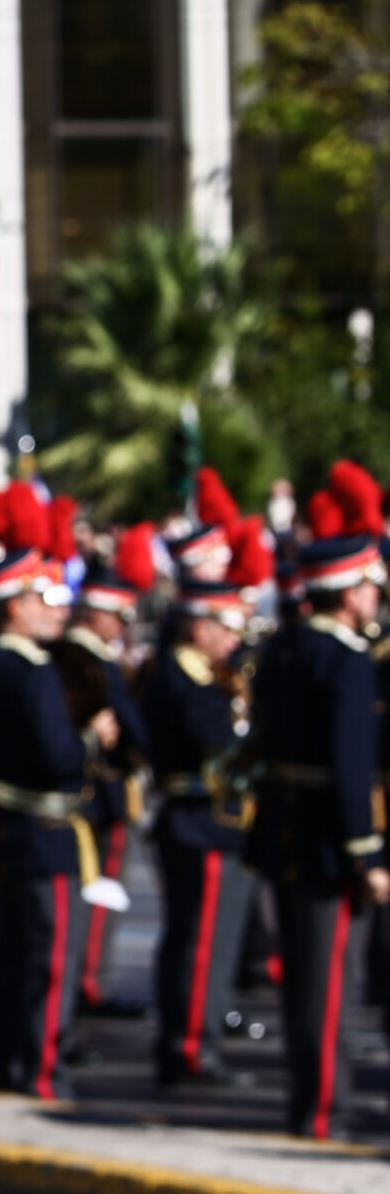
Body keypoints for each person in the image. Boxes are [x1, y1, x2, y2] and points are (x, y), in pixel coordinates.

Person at [246, 474, 390, 1140]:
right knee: (328, 981)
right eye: (369, 583)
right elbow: (352, 765)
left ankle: (310, 1099)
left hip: (284, 826)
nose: (376, 594)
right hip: (331, 838)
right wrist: (366, 851)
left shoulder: (284, 647)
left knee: (305, 979)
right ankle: (322, 1108)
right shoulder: (347, 661)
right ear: (350, 587)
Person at [0, 546, 111, 1101]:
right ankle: (40, 1066)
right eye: (45, 599)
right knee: (48, 958)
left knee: (14, 955)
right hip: (43, 829)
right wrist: (92, 738)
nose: (57, 611)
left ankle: (0, 1061)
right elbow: (58, 757)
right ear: (15, 606)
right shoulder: (28, 670)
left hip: (12, 826)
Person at [142, 571, 259, 1088]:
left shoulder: (201, 672)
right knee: (202, 942)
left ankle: (191, 1039)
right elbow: (217, 745)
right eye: (227, 626)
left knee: (206, 938)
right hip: (199, 820)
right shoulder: (184, 676)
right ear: (199, 628)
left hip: (206, 822)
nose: (235, 639)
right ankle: (190, 1047)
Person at [58, 533, 154, 1016]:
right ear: (95, 613)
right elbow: (132, 727)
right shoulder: (91, 659)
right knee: (95, 894)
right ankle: (88, 982)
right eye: (117, 616)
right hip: (100, 788)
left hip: (92, 788)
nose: (121, 627)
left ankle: (84, 979)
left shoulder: (76, 656)